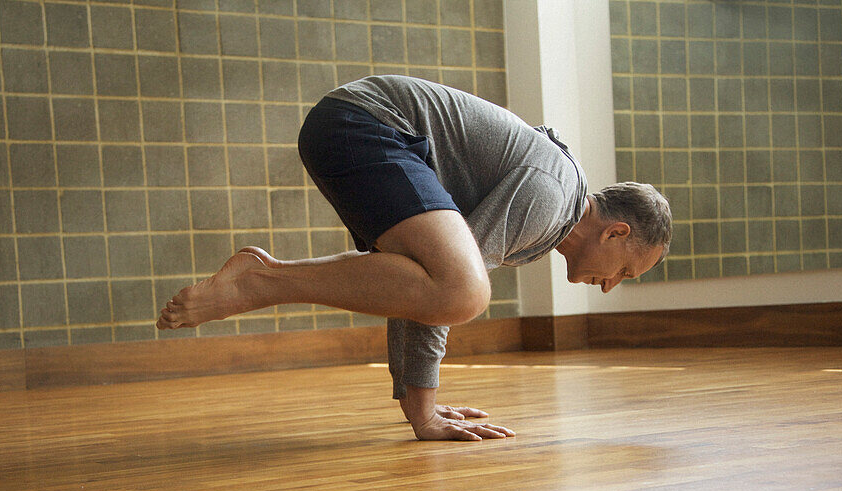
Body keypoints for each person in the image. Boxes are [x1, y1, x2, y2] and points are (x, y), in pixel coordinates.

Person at [157, 75, 672, 442]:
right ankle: (261, 280)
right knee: (464, 289)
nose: (610, 286)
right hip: (368, 126)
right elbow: (449, 292)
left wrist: (414, 401)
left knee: (443, 283)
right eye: (624, 271)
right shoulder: (552, 198)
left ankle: (263, 277)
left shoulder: (552, 207)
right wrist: (425, 417)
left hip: (347, 125)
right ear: (615, 232)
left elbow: (416, 290)